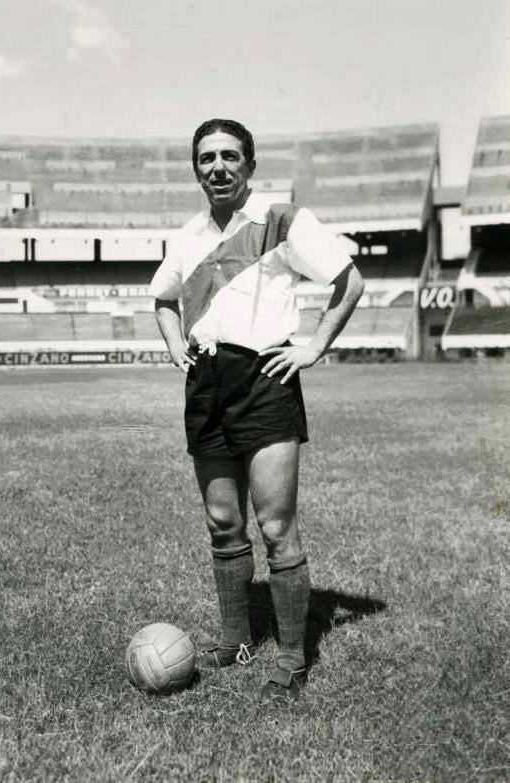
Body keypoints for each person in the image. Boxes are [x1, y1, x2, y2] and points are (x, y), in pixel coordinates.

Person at [149, 118, 364, 703]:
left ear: (249, 164)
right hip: (206, 384)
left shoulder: (283, 220)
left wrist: (312, 347)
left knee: (275, 526)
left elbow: (350, 282)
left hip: (264, 380)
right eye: (206, 158)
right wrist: (175, 346)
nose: (218, 167)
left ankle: (292, 655)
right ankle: (236, 640)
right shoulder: (189, 235)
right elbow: (163, 298)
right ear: (196, 169)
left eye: (229, 156)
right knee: (223, 522)